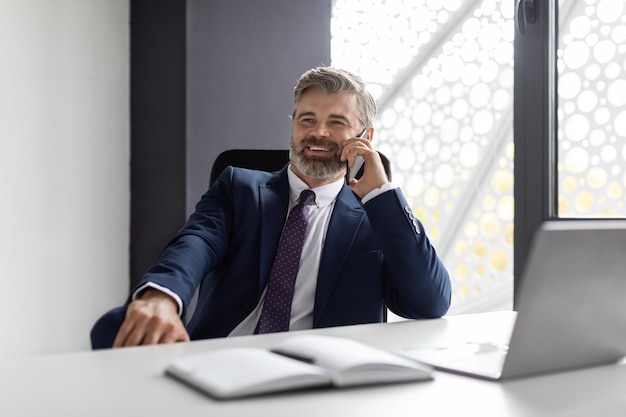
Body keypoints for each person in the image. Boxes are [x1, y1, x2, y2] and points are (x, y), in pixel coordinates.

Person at [91, 66, 451, 349]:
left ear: (365, 138)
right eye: (307, 119)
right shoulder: (238, 188)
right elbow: (194, 244)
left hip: (323, 384)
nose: (319, 132)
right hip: (223, 362)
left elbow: (429, 302)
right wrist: (161, 296)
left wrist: (381, 195)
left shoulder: (378, 217)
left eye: (336, 122)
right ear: (293, 125)